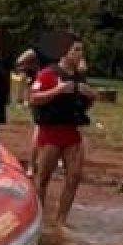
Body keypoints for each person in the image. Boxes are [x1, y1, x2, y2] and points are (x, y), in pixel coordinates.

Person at [29, 39, 96, 231]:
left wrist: (91, 96)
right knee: (43, 177)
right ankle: (38, 218)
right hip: (51, 132)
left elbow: (86, 104)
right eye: (76, 50)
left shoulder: (79, 78)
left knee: (74, 177)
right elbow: (33, 98)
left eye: (81, 50)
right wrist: (58, 90)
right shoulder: (47, 74)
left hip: (72, 132)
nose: (80, 54)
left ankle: (61, 221)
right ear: (64, 53)